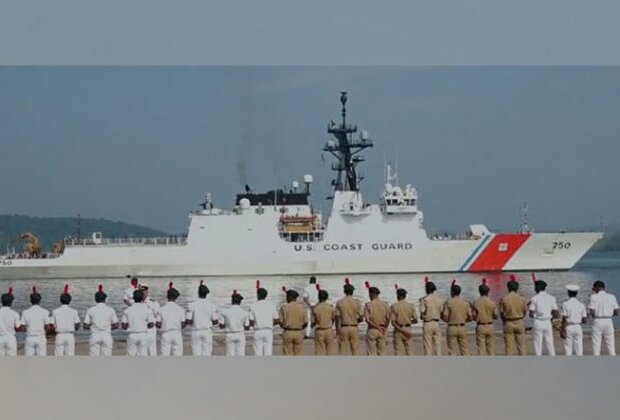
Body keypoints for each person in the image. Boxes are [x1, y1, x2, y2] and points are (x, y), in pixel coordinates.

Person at [83, 284, 119, 356]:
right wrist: (107, 327)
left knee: (94, 359)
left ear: (95, 299)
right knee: (107, 359)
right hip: (106, 335)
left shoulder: (90, 310)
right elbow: (116, 325)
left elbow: (85, 326)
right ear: (105, 299)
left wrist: (93, 327)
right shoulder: (110, 310)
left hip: (95, 335)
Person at [186, 280, 219, 356]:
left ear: (198, 293)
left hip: (196, 331)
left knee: (196, 354)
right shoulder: (211, 306)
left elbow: (188, 321)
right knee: (207, 354)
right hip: (207, 331)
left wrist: (195, 321)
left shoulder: (192, 305)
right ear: (206, 294)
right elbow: (215, 322)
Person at [588, 280, 619, 356]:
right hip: (608, 320)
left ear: (596, 288)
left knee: (596, 343)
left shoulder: (593, 297)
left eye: (594, 289)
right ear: (604, 288)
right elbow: (617, 311)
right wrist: (610, 314)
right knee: (610, 343)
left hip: (598, 320)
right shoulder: (612, 296)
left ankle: (596, 361)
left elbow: (591, 310)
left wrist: (593, 316)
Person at [121, 288, 155, 356]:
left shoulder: (127, 310)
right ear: (142, 298)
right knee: (143, 355)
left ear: (133, 298)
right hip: (143, 334)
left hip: (132, 335)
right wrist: (144, 326)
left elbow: (124, 326)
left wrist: (131, 325)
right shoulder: (147, 309)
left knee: (131, 355)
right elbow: (151, 324)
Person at [529, 279, 559, 356]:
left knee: (537, 343)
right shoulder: (552, 298)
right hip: (548, 322)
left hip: (538, 322)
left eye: (535, 287)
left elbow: (531, 314)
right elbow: (556, 313)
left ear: (538, 288)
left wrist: (537, 315)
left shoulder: (534, 298)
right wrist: (550, 316)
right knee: (550, 342)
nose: (534, 289)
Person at [441, 281, 472, 356]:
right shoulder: (465, 302)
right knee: (465, 350)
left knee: (452, 351)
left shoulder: (449, 302)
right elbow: (471, 317)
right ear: (460, 292)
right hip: (462, 327)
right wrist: (463, 320)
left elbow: (445, 318)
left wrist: (442, 316)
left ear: (452, 292)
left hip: (452, 328)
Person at [499, 279, 528, 355]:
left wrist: (504, 321)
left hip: (508, 322)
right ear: (517, 288)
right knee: (522, 346)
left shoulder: (504, 299)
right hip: (519, 321)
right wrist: (521, 318)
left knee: (509, 347)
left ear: (508, 288)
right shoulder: (522, 299)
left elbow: (501, 312)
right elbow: (525, 311)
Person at [50, 284, 81, 356]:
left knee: (58, 357)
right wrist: (72, 328)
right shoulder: (74, 311)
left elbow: (51, 325)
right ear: (70, 300)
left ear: (60, 300)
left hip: (59, 335)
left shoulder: (55, 311)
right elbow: (77, 325)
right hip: (70, 335)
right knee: (70, 357)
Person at [21, 287, 52, 356]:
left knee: (28, 361)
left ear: (30, 301)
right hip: (40, 337)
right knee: (41, 361)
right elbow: (47, 326)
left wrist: (29, 329)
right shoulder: (45, 312)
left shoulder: (25, 312)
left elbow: (22, 327)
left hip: (30, 338)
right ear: (40, 301)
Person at [335, 281, 364, 355]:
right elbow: (361, 317)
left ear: (344, 291)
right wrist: (355, 321)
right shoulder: (357, 302)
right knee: (355, 351)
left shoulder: (340, 302)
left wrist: (337, 332)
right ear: (352, 292)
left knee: (343, 351)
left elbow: (337, 319)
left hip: (344, 327)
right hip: (354, 327)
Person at [157, 283, 186, 356]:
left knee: (164, 355)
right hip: (177, 334)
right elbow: (183, 324)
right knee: (178, 356)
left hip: (166, 334)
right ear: (176, 298)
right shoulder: (180, 309)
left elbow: (159, 325)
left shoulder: (161, 309)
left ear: (167, 296)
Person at [249, 286, 279, 356]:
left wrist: (258, 324)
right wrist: (270, 324)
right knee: (268, 353)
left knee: (257, 353)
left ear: (258, 295)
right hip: (268, 331)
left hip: (258, 331)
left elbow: (251, 322)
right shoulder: (272, 305)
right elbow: (277, 320)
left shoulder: (253, 306)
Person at [219, 291, 250, 356]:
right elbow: (247, 327)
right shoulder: (244, 313)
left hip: (229, 335)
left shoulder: (225, 312)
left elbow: (221, 326)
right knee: (240, 355)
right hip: (240, 334)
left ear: (232, 301)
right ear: (240, 302)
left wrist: (227, 324)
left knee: (230, 355)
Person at [471, 279, 497, 355]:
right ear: (488, 292)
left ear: (479, 292)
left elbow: (474, 316)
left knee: (481, 349)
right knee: (491, 348)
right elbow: (495, 316)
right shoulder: (492, 303)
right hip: (490, 326)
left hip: (480, 326)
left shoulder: (475, 302)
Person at [560, 284, 587, 356]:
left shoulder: (565, 304)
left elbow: (564, 318)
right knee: (579, 348)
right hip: (578, 327)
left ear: (568, 293)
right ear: (576, 293)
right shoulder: (581, 304)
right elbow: (584, 320)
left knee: (568, 348)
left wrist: (562, 329)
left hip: (569, 326)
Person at [419, 278, 444, 355]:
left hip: (427, 323)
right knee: (438, 346)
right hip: (437, 324)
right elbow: (442, 312)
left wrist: (423, 317)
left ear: (426, 289)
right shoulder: (439, 300)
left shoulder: (424, 300)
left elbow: (422, 314)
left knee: (428, 347)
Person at [279, 289, 308, 356]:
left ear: (290, 297)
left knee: (287, 354)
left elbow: (280, 322)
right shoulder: (302, 307)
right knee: (298, 354)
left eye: (287, 296)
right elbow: (306, 322)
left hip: (288, 332)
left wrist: (284, 327)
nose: (286, 298)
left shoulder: (284, 307)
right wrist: (301, 328)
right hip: (299, 332)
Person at [364, 286, 391, 355]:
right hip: (383, 329)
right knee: (383, 353)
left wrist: (377, 327)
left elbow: (367, 320)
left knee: (371, 353)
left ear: (371, 294)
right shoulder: (385, 304)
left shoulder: (368, 305)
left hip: (372, 329)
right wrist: (385, 327)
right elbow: (388, 318)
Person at [391, 287, 418, 356]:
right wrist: (409, 321)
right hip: (408, 329)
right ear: (405, 296)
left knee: (398, 352)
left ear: (397, 296)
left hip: (398, 329)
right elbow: (416, 320)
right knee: (410, 351)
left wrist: (401, 329)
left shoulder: (394, 306)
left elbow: (393, 322)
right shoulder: (411, 306)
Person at [312, 288, 335, 355]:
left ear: (318, 297)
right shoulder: (331, 307)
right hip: (329, 330)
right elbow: (333, 319)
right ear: (327, 297)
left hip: (319, 331)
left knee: (319, 351)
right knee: (329, 351)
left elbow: (313, 322)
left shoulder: (315, 308)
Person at [0, 287, 21, 356]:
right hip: (10, 338)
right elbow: (17, 327)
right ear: (11, 302)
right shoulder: (14, 314)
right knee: (12, 361)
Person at [141, 285, 160, 356]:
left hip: (150, 329)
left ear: (147, 292)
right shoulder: (137, 302)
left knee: (152, 349)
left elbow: (158, 316)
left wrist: (154, 323)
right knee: (142, 350)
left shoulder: (153, 303)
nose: (143, 294)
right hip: (141, 329)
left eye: (144, 292)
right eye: (141, 292)